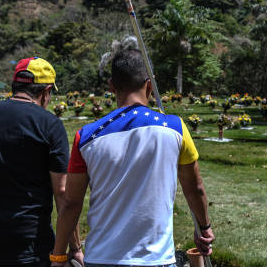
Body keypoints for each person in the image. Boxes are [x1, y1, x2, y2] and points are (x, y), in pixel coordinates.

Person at [49, 49, 214, 267]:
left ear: (111, 86)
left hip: (101, 258)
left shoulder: (86, 137)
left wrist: (58, 257)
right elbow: (195, 188)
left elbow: (71, 204)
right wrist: (204, 227)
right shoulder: (176, 128)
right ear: (150, 85)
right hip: (156, 260)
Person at [0, 57, 83, 267]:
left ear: (15, 85)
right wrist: (75, 249)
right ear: (46, 91)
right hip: (30, 245)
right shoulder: (50, 125)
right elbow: (62, 192)